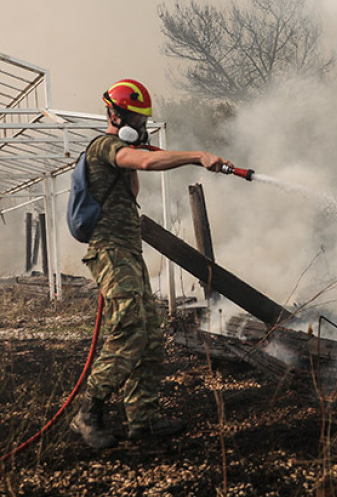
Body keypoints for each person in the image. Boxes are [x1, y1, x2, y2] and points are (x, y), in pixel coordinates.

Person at [69, 78, 231, 450]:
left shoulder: (122, 156)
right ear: (115, 114)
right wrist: (196, 155)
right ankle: (88, 413)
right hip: (110, 252)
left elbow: (134, 182)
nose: (141, 126)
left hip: (128, 253)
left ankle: (142, 420)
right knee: (129, 332)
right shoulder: (105, 146)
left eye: (143, 120)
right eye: (135, 119)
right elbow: (145, 160)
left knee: (151, 335)